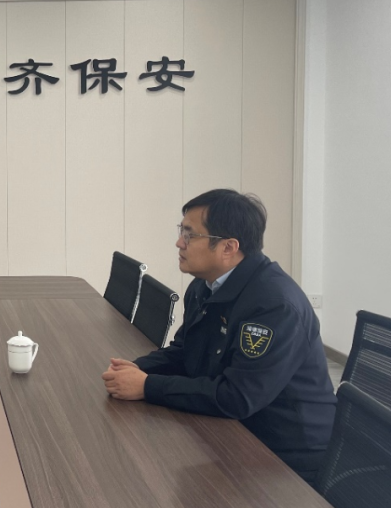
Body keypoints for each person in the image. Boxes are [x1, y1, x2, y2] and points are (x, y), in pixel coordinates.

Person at [101, 189, 336, 482]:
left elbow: (237, 397)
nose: (179, 243)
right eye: (181, 231)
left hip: (285, 456)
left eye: (190, 235)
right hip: (234, 429)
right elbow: (185, 351)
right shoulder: (205, 286)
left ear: (228, 248)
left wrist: (147, 386)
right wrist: (136, 369)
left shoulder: (274, 306)